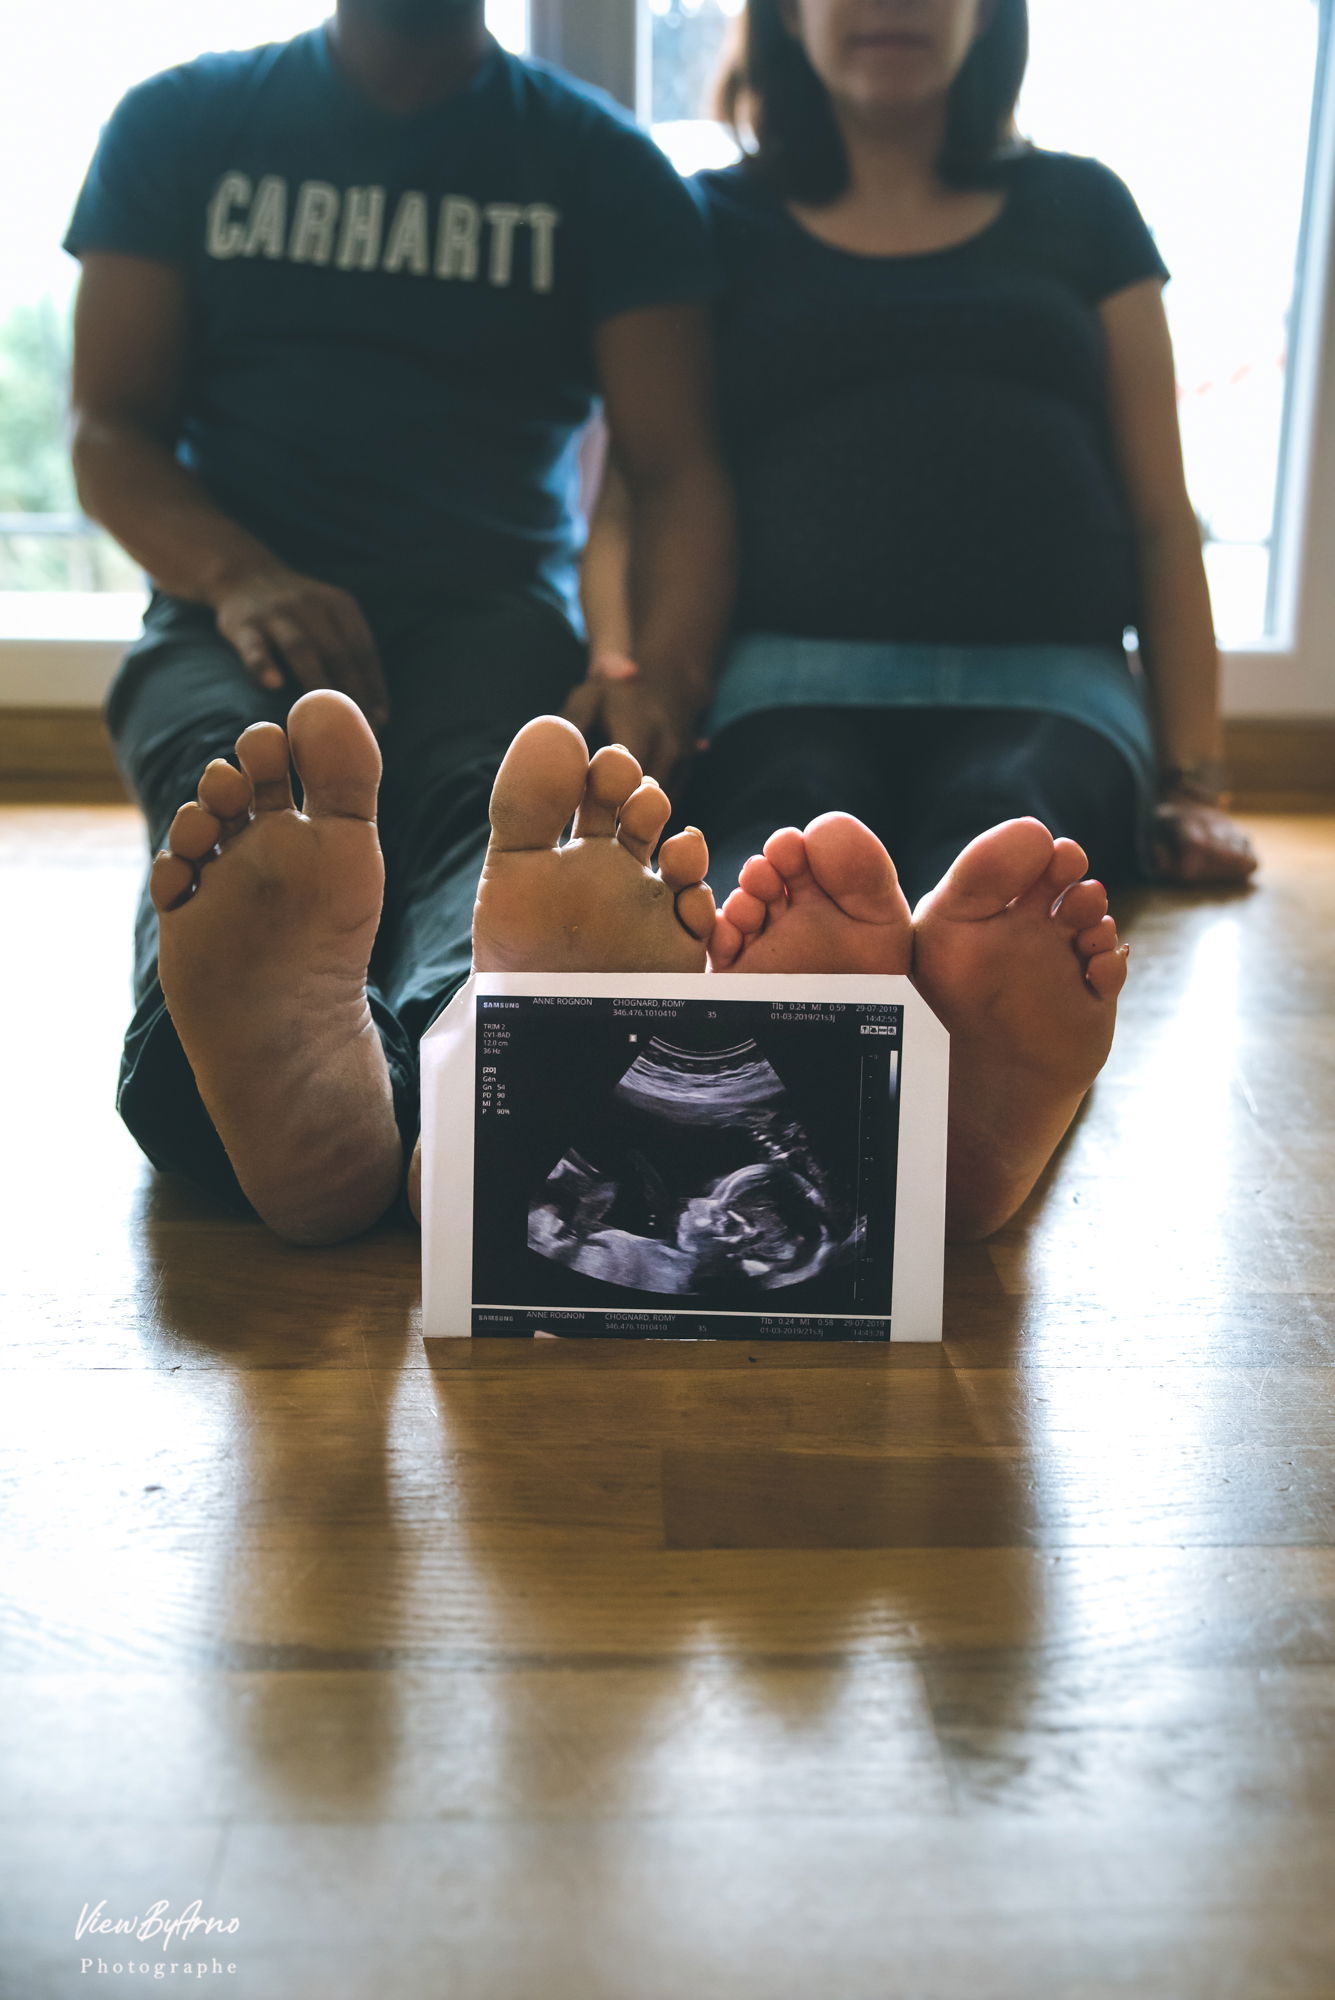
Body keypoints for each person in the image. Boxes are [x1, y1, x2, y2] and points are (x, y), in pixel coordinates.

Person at [65, 0, 733, 1233]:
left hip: (494, 613)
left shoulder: (601, 166)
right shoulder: (183, 124)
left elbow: (675, 465)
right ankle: (408, 1088)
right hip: (237, 609)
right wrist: (241, 574)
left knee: (488, 810)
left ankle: (407, 1072)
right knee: (231, 799)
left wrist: (658, 674)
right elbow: (108, 429)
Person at [583, 0, 1260, 906]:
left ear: (987, 16)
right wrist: (624, 674)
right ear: (786, 14)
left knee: (1009, 833)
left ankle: (973, 994)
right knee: (785, 845)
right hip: (784, 682)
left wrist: (1192, 783)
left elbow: (1162, 519)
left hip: (1053, 686)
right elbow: (640, 490)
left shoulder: (1086, 208)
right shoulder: (709, 222)